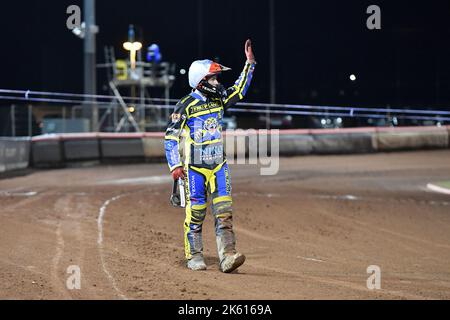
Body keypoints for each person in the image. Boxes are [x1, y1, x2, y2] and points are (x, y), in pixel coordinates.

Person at [164, 39, 256, 273]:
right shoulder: (184, 106)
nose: (217, 82)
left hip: (219, 166)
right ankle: (194, 255)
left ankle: (228, 255)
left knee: (224, 212)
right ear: (202, 81)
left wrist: (250, 64)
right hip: (194, 168)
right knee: (196, 213)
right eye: (213, 78)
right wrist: (175, 166)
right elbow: (170, 138)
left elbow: (239, 90)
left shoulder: (219, 100)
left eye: (216, 78)